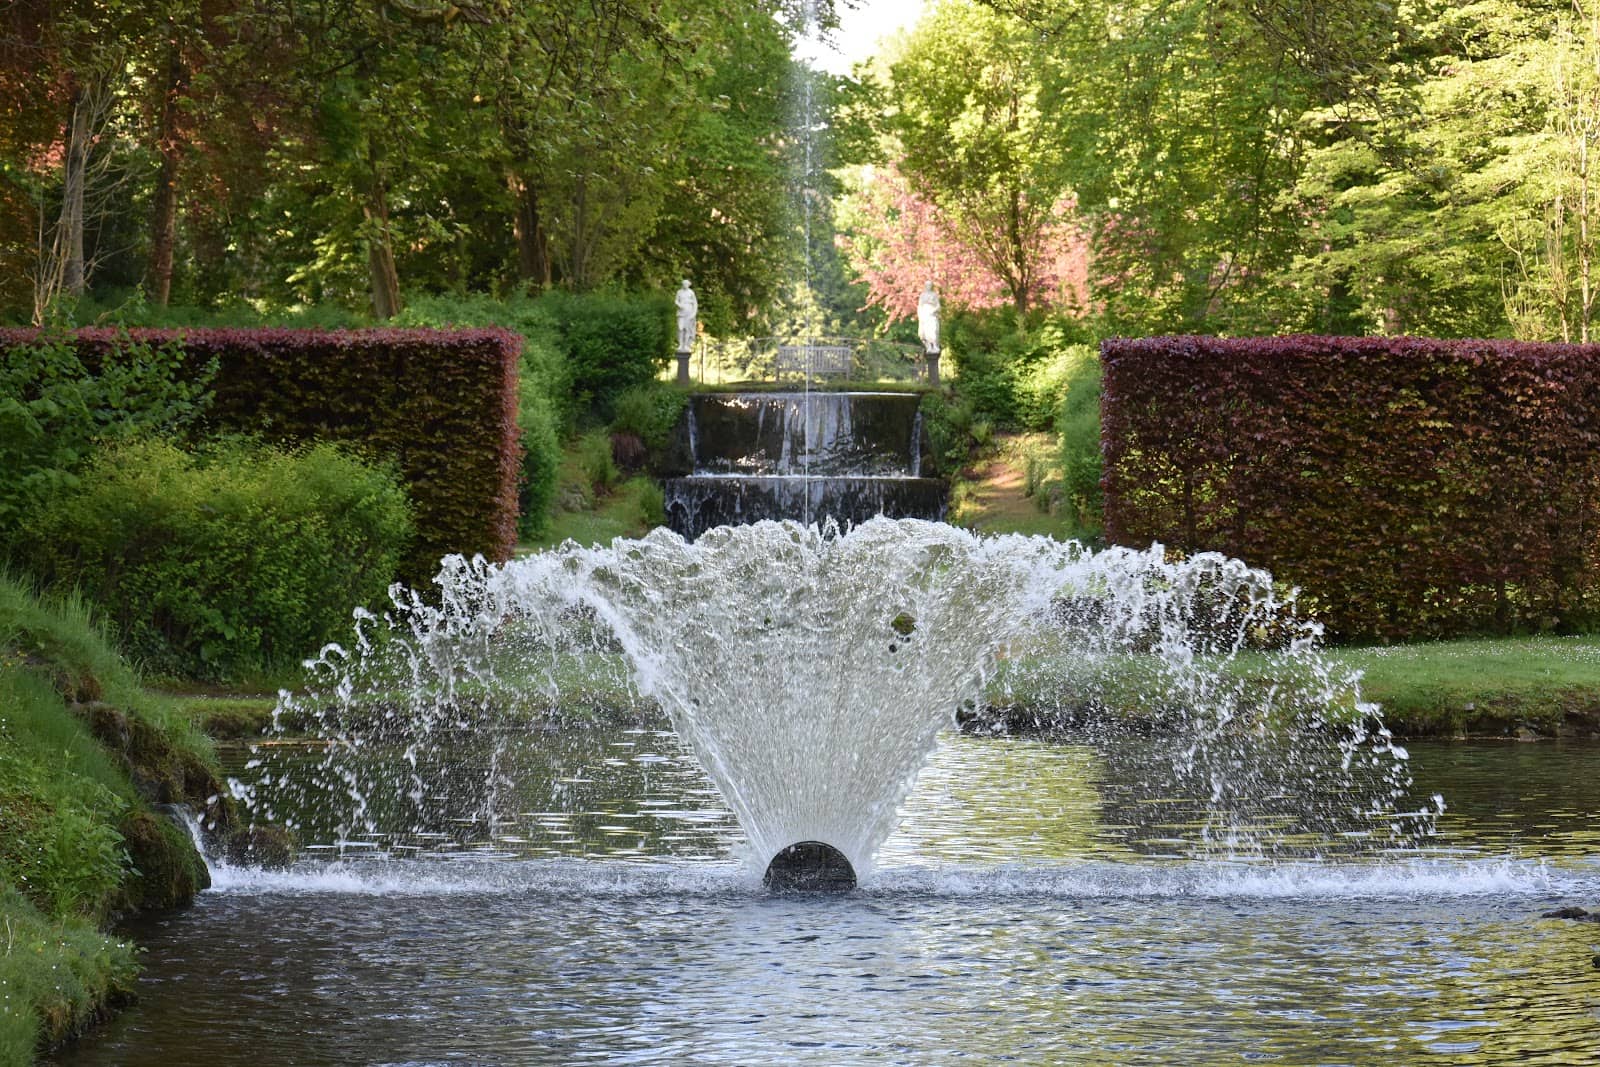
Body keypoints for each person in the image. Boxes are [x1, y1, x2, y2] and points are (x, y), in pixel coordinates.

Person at [917, 281, 941, 354]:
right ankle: (929, 346)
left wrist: (934, 310)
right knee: (926, 331)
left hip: (932, 314)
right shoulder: (922, 295)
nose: (929, 286)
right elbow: (920, 306)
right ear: (925, 286)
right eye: (927, 285)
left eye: (930, 285)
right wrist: (920, 317)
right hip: (925, 315)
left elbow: (938, 306)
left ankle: (934, 345)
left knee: (933, 329)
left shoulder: (934, 295)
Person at [675, 279, 698, 351]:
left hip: (689, 313)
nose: (685, 285)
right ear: (682, 284)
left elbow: (695, 303)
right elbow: (676, 300)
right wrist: (679, 305)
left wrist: (694, 313)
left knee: (687, 329)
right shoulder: (679, 292)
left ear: (688, 285)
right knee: (680, 328)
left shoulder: (691, 292)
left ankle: (686, 345)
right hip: (681, 313)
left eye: (686, 284)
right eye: (684, 284)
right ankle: (680, 344)